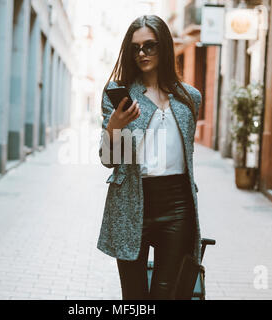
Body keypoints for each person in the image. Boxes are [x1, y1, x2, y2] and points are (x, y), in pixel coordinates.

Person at [97, 15, 203, 300]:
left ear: (165, 47)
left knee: (167, 294)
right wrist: (114, 127)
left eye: (150, 46)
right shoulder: (119, 95)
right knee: (134, 296)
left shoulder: (189, 98)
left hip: (177, 203)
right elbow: (109, 159)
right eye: (136, 48)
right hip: (132, 200)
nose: (142, 53)